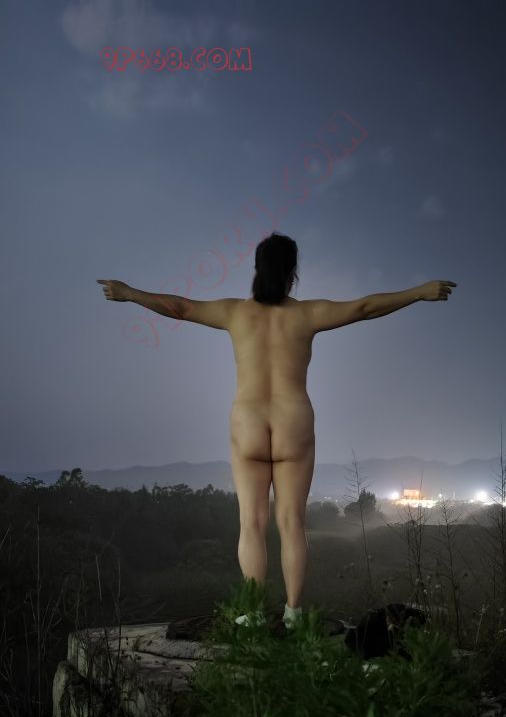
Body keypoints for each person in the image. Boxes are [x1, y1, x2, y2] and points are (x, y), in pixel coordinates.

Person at [98, 232, 456, 631]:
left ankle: (252, 614)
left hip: (248, 423)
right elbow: (365, 307)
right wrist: (418, 292)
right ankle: (294, 614)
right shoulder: (308, 314)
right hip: (293, 423)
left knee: (251, 523)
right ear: (292, 273)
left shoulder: (234, 313)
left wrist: (129, 293)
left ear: (256, 269)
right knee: (292, 523)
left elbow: (179, 307)